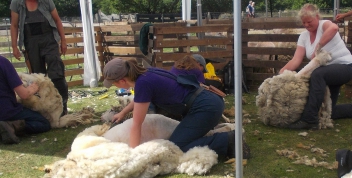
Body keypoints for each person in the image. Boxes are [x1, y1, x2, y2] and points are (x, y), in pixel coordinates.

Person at [102, 58, 250, 158]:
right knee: (186, 136)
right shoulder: (146, 74)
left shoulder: (143, 83)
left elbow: (137, 124)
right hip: (207, 101)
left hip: (205, 107)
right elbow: (140, 99)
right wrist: (122, 112)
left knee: (178, 145)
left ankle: (229, 140)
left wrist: (133, 154)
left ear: (121, 80)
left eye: (113, 83)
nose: (113, 86)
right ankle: (224, 136)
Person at [280, 3, 352, 129]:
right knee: (329, 111)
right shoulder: (303, 37)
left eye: (309, 21)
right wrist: (281, 73)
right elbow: (296, 60)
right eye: (304, 23)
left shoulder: (324, 25)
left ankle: (310, 120)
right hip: (329, 71)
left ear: (317, 16)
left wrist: (318, 46)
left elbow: (334, 28)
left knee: (317, 74)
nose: (306, 25)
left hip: (345, 66)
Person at [10, 0, 69, 116]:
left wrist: (63, 40)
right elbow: (14, 25)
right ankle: (44, 111)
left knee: (56, 73)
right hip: (31, 42)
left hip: (49, 39)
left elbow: (57, 20)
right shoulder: (17, 3)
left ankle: (63, 108)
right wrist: (14, 46)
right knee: (37, 77)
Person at [0, 56, 51, 144]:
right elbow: (24, 95)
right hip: (6, 111)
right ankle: (11, 126)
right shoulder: (3, 62)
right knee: (43, 123)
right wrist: (32, 89)